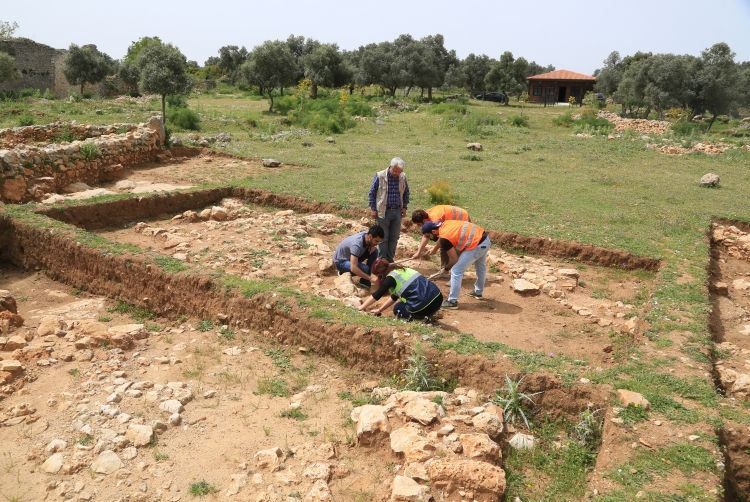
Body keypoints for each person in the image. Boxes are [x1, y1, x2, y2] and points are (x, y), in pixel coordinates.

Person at [421, 220, 491, 310]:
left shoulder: (444, 238)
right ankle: (478, 292)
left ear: (433, 232)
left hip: (477, 244)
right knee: (480, 267)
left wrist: (446, 269)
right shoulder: (444, 224)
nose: (429, 238)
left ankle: (452, 302)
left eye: (428, 236)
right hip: (485, 239)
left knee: (456, 270)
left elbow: (454, 259)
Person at [358, 258, 443, 321]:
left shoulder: (390, 278)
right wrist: (380, 310)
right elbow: (394, 296)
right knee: (407, 302)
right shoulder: (404, 269)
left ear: (381, 274)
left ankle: (419, 318)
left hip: (423, 305)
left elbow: (377, 294)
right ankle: (430, 314)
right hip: (438, 298)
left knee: (398, 308)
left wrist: (362, 307)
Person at [368, 157, 409, 263]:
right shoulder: (380, 175)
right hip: (383, 211)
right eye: (395, 170)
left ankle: (390, 260)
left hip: (397, 211)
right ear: (391, 166)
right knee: (383, 237)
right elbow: (372, 193)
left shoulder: (402, 177)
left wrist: (404, 206)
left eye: (399, 171)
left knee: (394, 237)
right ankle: (382, 260)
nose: (396, 173)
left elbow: (406, 192)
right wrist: (373, 209)